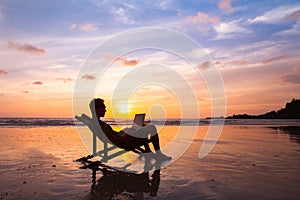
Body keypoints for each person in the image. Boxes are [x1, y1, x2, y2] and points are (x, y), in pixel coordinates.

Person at [90, 98, 171, 160]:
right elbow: (119, 141)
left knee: (141, 127)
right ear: (96, 109)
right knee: (151, 128)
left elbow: (113, 136)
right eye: (103, 108)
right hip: (126, 140)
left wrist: (127, 130)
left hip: (122, 136)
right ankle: (158, 154)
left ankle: (148, 152)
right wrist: (128, 132)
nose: (105, 110)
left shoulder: (96, 123)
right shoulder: (102, 126)